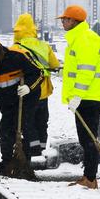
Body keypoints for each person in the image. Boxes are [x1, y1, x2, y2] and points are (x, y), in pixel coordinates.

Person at [58, 5, 100, 190]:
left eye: (65, 19)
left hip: (88, 97)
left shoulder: (84, 40)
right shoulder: (79, 38)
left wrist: (77, 95)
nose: (63, 22)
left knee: (88, 139)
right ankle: (89, 176)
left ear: (74, 21)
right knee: (87, 138)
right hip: (86, 97)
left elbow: (86, 71)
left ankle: (90, 178)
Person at [0, 36, 44, 175]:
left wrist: (28, 87)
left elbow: (39, 73)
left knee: (24, 127)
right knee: (5, 131)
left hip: (26, 99)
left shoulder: (18, 58)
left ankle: (24, 164)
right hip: (6, 101)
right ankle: (7, 164)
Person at [11, 13, 61, 156]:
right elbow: (55, 65)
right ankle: (42, 150)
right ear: (33, 29)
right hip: (43, 91)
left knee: (28, 123)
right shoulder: (44, 46)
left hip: (26, 92)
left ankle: (31, 152)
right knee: (42, 122)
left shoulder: (15, 48)